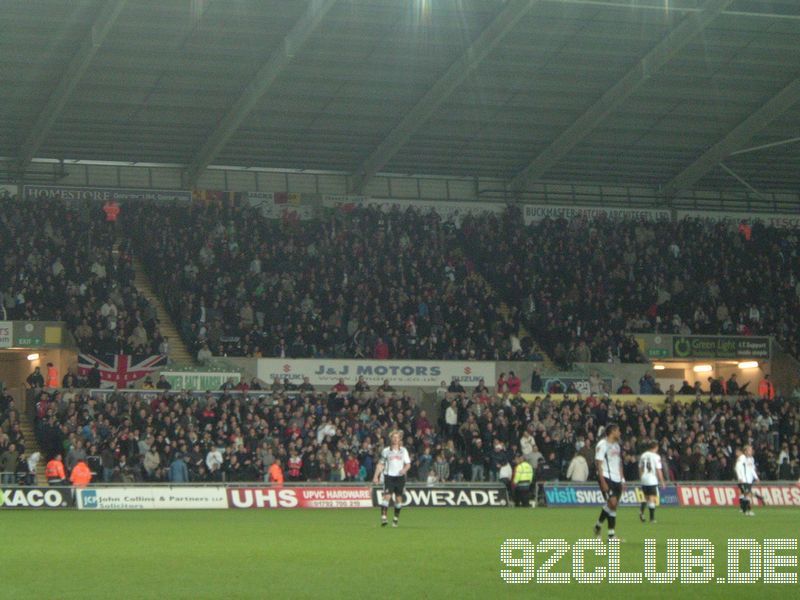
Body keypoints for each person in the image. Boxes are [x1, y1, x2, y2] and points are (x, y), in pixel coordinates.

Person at [372, 430, 411, 528]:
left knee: (398, 499)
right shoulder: (386, 451)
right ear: (391, 439)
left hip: (400, 478)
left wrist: (404, 469)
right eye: (393, 437)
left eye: (397, 437)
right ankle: (384, 518)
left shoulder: (403, 451)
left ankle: (395, 519)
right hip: (389, 477)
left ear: (400, 439)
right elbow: (380, 464)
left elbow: (408, 464)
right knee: (387, 497)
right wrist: (376, 476)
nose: (395, 439)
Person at [594, 423, 624, 540]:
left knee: (613, 506)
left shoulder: (617, 446)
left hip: (617, 479)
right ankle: (602, 529)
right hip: (606, 477)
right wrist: (603, 482)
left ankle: (608, 532)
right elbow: (598, 464)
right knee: (611, 503)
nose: (619, 433)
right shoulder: (602, 445)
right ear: (612, 432)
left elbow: (619, 463)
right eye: (618, 431)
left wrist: (622, 479)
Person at [638, 440, 665, 523]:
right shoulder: (656, 457)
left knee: (646, 498)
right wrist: (662, 481)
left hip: (644, 479)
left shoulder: (643, 455)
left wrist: (641, 477)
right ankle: (652, 518)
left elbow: (640, 468)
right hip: (652, 479)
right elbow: (658, 470)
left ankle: (641, 512)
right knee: (652, 498)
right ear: (656, 447)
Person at [735, 445, 759, 516]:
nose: (751, 451)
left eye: (751, 450)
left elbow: (752, 469)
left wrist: (756, 477)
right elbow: (737, 467)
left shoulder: (751, 459)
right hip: (744, 480)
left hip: (749, 480)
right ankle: (749, 510)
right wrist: (740, 477)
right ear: (745, 451)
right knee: (747, 495)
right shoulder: (742, 458)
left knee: (745, 495)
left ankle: (744, 510)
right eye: (749, 450)